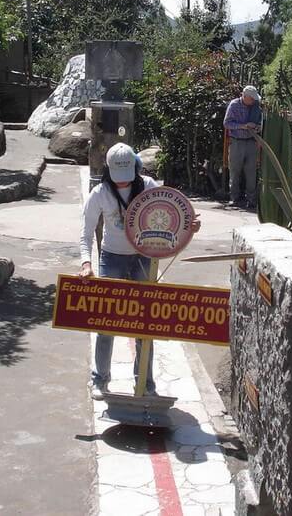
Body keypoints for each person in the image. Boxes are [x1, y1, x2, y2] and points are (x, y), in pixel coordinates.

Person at [78, 143, 200, 400]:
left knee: (145, 324)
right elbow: (86, 232)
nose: (123, 184)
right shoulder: (99, 193)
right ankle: (100, 379)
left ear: (135, 169)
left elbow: (173, 214)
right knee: (106, 322)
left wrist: (190, 225)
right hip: (112, 257)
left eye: (127, 178)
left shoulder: (148, 186)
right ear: (108, 170)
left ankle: (145, 384)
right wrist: (86, 263)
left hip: (143, 258)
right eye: (118, 179)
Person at [224, 85, 263, 209]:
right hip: (237, 142)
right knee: (235, 171)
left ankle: (251, 200)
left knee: (251, 172)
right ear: (244, 96)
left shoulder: (256, 107)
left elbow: (260, 124)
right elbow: (227, 123)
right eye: (251, 99)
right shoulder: (234, 105)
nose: (253, 101)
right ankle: (234, 198)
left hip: (251, 142)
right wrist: (243, 126)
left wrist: (256, 127)